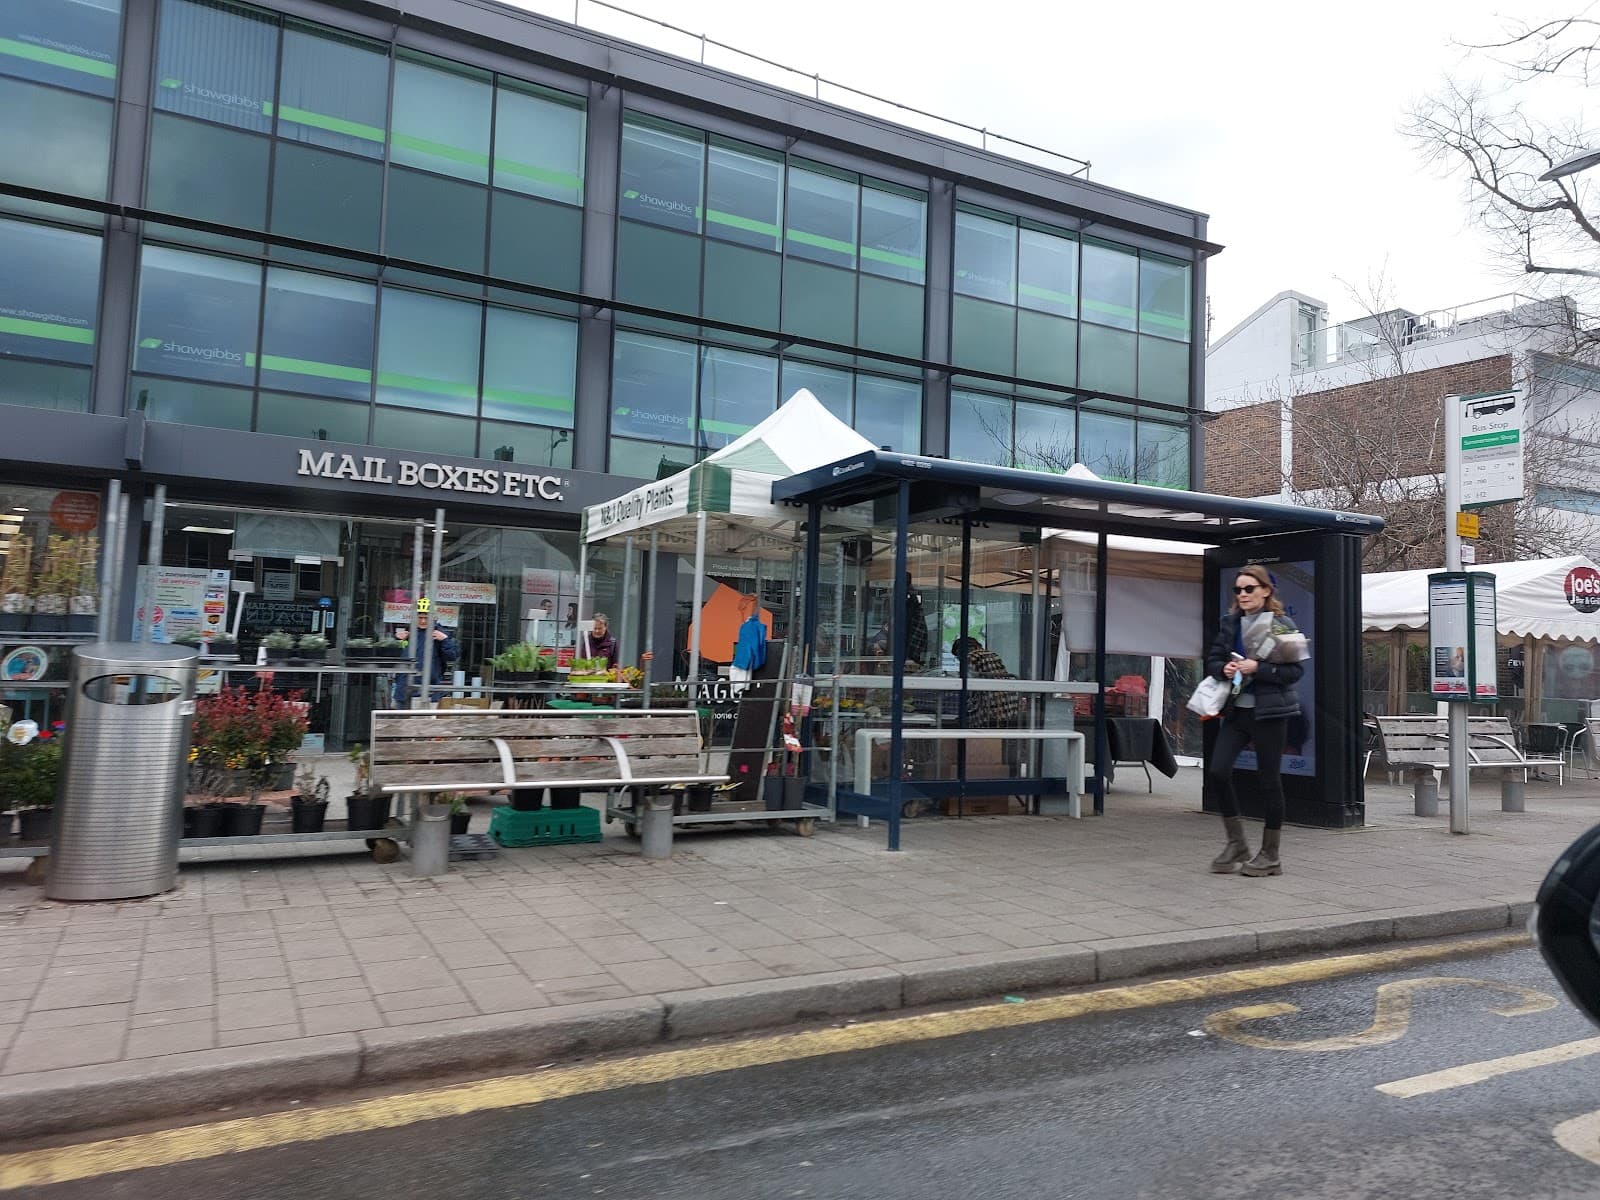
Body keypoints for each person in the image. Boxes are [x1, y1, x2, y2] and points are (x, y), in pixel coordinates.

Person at [1204, 565, 1307, 878]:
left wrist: (1256, 669)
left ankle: (1270, 854)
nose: (1243, 595)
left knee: (1268, 780)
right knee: (1218, 772)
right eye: (1238, 590)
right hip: (1237, 711)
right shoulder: (1230, 622)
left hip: (1271, 714)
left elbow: (1295, 672)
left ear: (1266, 590)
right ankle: (1237, 844)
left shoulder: (1281, 624)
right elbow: (1213, 659)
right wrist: (1223, 669)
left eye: (1249, 588)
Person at [393, 604, 458, 707]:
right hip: (403, 690)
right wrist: (395, 640)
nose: (423, 621)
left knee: (423, 722)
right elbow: (394, 658)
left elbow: (452, 657)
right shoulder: (407, 633)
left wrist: (445, 640)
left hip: (427, 692)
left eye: (426, 618)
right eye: (420, 618)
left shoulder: (440, 634)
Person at [951, 636, 1022, 729]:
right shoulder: (993, 654)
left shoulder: (970, 657)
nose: (958, 659)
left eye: (957, 655)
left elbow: (968, 681)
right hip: (1006, 703)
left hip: (987, 705)